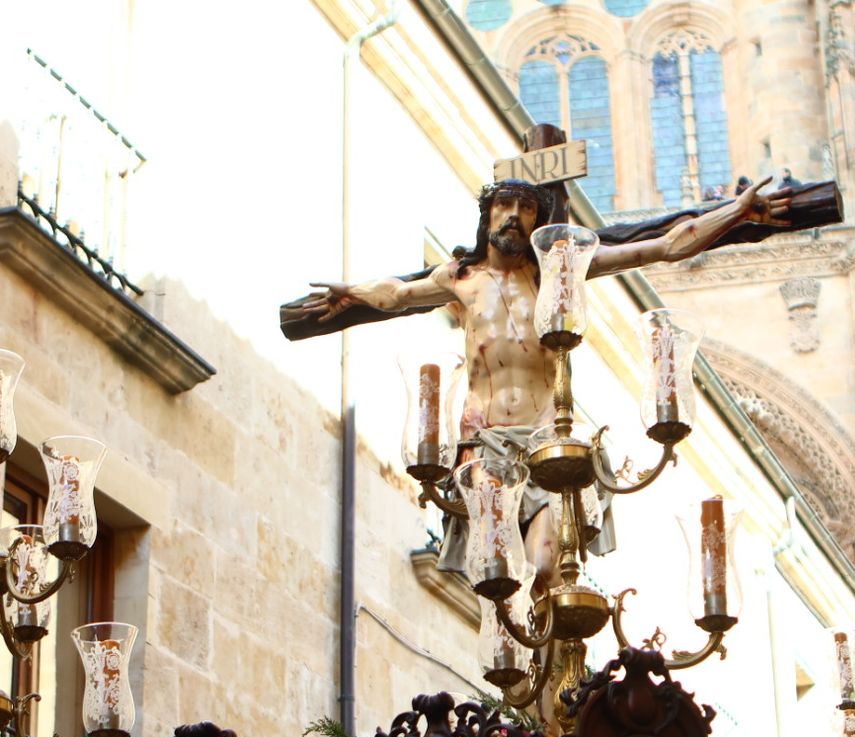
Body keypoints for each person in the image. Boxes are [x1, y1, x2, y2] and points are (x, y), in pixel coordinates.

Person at [302, 177, 792, 597]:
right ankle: (517, 665)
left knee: (542, 569)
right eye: (505, 206)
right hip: (487, 447)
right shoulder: (459, 278)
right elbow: (395, 294)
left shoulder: (558, 273)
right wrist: (351, 295)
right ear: (488, 216)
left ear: (537, 220)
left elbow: (662, 246)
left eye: (527, 208)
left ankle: (549, 665)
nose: (515, 216)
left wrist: (735, 212)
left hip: (546, 446)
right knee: (500, 573)